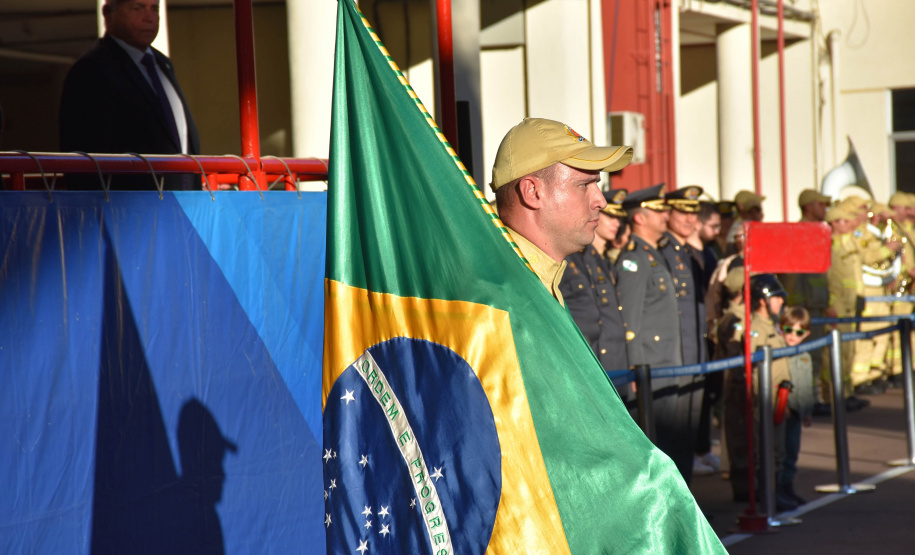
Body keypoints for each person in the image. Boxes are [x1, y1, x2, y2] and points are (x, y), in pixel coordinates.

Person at [59, 0, 201, 191]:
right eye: (138, 8)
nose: (149, 17)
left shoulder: (162, 64)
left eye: (154, 9)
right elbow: (82, 153)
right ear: (108, 14)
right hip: (131, 203)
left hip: (185, 199)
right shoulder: (92, 69)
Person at [490, 117, 632, 305]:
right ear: (532, 192)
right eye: (584, 185)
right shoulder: (498, 297)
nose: (601, 201)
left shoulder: (532, 280)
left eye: (596, 184)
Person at [616, 184, 698, 483]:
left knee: (673, 440)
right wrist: (636, 366)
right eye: (658, 211)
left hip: (667, 360)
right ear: (640, 218)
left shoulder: (655, 254)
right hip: (652, 364)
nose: (666, 216)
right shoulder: (634, 259)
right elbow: (630, 321)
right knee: (658, 442)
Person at [661, 186, 715, 475]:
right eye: (682, 212)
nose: (689, 219)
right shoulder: (663, 251)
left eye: (693, 213)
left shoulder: (686, 252)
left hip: (693, 351)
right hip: (675, 355)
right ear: (668, 213)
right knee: (672, 434)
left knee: (688, 430)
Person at [559, 189, 630, 399]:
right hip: (591, 354)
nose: (617, 223)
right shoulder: (576, 257)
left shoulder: (598, 257)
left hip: (613, 356)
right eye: (611, 217)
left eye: (619, 218)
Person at [780, 189, 831, 414]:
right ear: (808, 207)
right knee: (808, 354)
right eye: (821, 204)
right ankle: (808, 399)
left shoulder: (817, 232)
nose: (825, 209)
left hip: (816, 304)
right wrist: (796, 307)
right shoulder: (800, 233)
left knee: (816, 354)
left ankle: (813, 397)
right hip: (805, 307)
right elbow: (793, 276)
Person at [777, 306, 815, 507]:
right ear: (781, 328)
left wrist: (808, 411)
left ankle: (788, 486)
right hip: (782, 410)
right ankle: (778, 488)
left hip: (797, 412)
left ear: (806, 334)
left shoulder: (805, 356)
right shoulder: (778, 352)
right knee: (779, 451)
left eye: (799, 332)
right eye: (788, 330)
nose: (792, 336)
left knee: (792, 450)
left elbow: (808, 385)